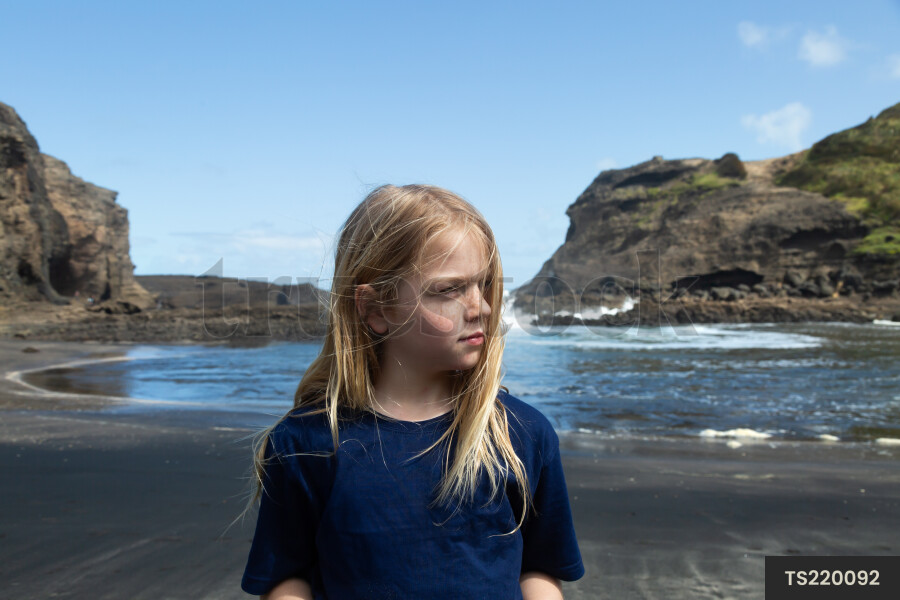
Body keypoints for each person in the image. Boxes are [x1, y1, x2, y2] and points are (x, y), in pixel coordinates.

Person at [241, 184, 584, 599]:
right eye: (449, 289)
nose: (481, 307)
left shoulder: (521, 434)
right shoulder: (309, 442)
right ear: (376, 309)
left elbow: (540, 570)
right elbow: (285, 577)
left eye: (484, 284)